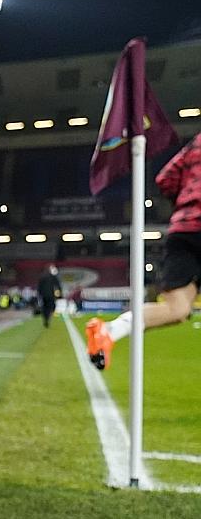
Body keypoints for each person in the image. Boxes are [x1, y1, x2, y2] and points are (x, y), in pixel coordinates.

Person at [85, 133, 201, 368]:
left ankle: (110, 331)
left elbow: (165, 178)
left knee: (177, 309)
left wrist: (188, 201)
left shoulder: (196, 143)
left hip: (184, 231)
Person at [36, 265, 62, 329]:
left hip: (44, 295)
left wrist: (39, 295)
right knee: (51, 307)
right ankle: (47, 318)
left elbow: (39, 287)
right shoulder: (53, 277)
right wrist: (59, 295)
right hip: (51, 295)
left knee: (45, 307)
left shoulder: (42, 277)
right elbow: (58, 286)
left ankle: (45, 318)